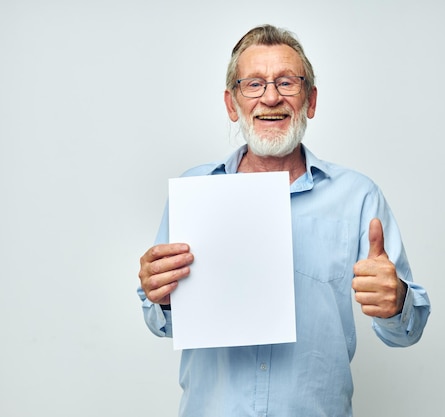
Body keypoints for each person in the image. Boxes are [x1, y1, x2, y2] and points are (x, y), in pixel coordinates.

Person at [137, 24, 430, 417]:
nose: (271, 97)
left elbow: (407, 331)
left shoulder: (358, 196)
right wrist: (163, 296)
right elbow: (160, 322)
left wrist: (396, 303)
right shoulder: (193, 191)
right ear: (232, 103)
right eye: (254, 84)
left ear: (310, 100)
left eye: (287, 83)